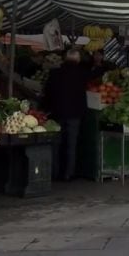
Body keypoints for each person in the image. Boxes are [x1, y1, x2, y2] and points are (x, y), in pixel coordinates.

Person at [43, 49, 89, 181]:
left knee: (55, 145)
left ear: (64, 59)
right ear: (78, 60)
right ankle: (69, 173)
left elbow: (48, 93)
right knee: (71, 145)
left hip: (57, 113)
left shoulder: (55, 73)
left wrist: (46, 109)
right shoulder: (82, 73)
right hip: (75, 114)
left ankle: (54, 173)